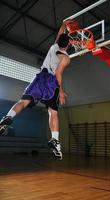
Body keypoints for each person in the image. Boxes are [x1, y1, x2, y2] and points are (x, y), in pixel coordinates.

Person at [0, 21, 71, 160]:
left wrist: (65, 23)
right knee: (53, 112)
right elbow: (58, 74)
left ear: (59, 40)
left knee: (23, 101)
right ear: (68, 45)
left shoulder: (54, 46)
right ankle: (55, 140)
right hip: (51, 83)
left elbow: (61, 32)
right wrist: (61, 91)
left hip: (39, 78)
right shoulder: (65, 58)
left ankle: (7, 118)